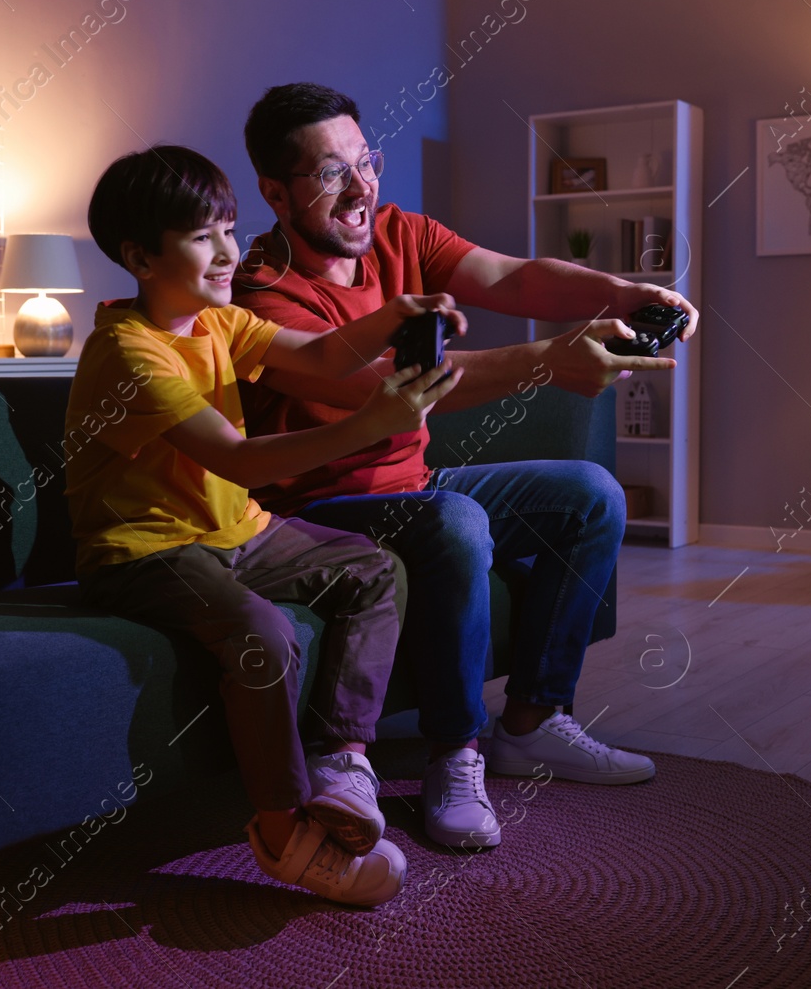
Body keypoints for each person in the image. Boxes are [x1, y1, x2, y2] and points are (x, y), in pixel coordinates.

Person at [234, 83, 699, 850]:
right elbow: (374, 383)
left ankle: (534, 720)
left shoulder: (396, 232)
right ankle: (457, 752)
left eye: (365, 162)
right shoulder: (257, 293)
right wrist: (550, 359)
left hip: (411, 485)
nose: (361, 189)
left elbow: (513, 277)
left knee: (591, 494)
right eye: (329, 174)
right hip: (314, 510)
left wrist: (625, 290)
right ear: (275, 193)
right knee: (456, 520)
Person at [67, 144, 465, 906]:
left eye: (228, 228)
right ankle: (283, 834)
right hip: (145, 549)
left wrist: (397, 315)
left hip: (236, 533)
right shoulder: (127, 354)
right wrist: (375, 418)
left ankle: (341, 760)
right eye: (201, 236)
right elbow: (242, 459)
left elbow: (318, 355)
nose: (227, 251)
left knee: (376, 569)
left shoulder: (218, 319)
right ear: (139, 256)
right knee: (263, 634)